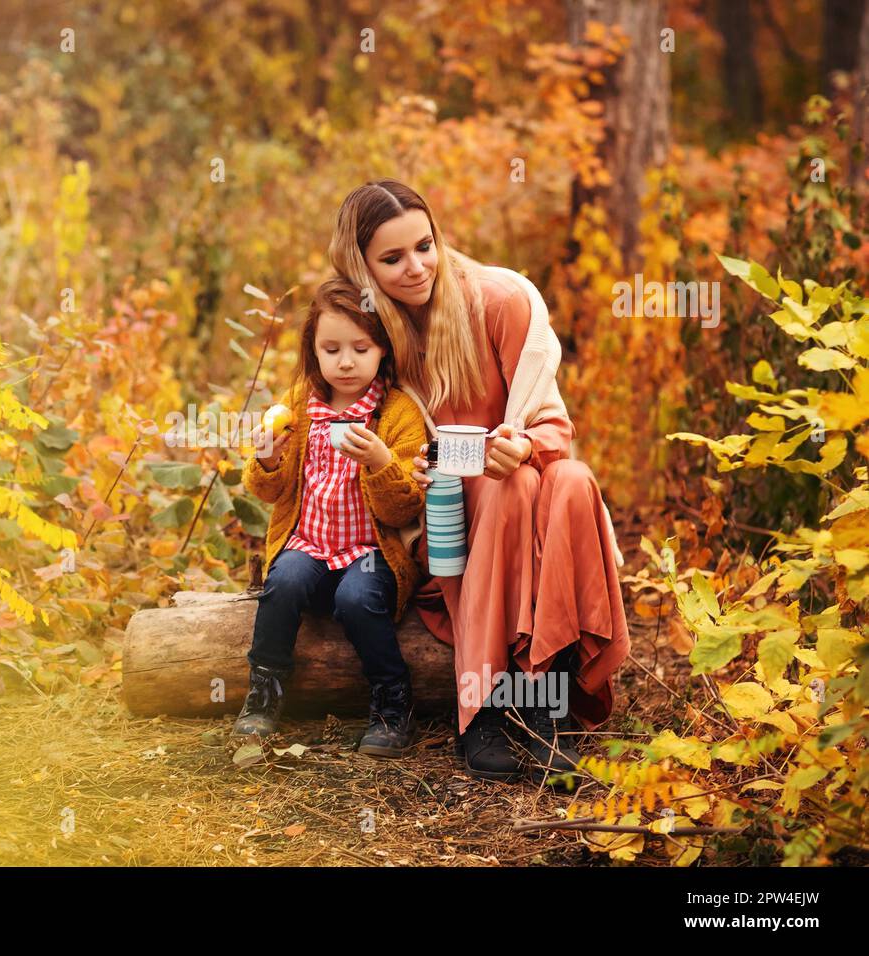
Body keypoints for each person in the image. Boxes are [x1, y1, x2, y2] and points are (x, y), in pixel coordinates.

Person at [327, 178, 631, 785]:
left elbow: (553, 425)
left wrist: (521, 443)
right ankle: (485, 708)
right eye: (392, 259)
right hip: (447, 527)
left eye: (424, 245)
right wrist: (405, 463)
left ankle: (549, 698)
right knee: (505, 489)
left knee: (569, 479)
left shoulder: (498, 301)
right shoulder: (375, 334)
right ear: (361, 264)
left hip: (524, 496)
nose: (416, 268)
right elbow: (344, 412)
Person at [236, 276, 427, 757]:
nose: (346, 361)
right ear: (313, 351)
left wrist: (382, 463)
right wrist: (267, 460)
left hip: (369, 553)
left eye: (360, 348)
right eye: (331, 348)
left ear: (382, 348)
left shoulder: (396, 413)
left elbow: (404, 506)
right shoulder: (301, 404)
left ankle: (391, 702)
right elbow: (267, 491)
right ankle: (265, 691)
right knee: (284, 583)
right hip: (310, 545)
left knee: (358, 599)